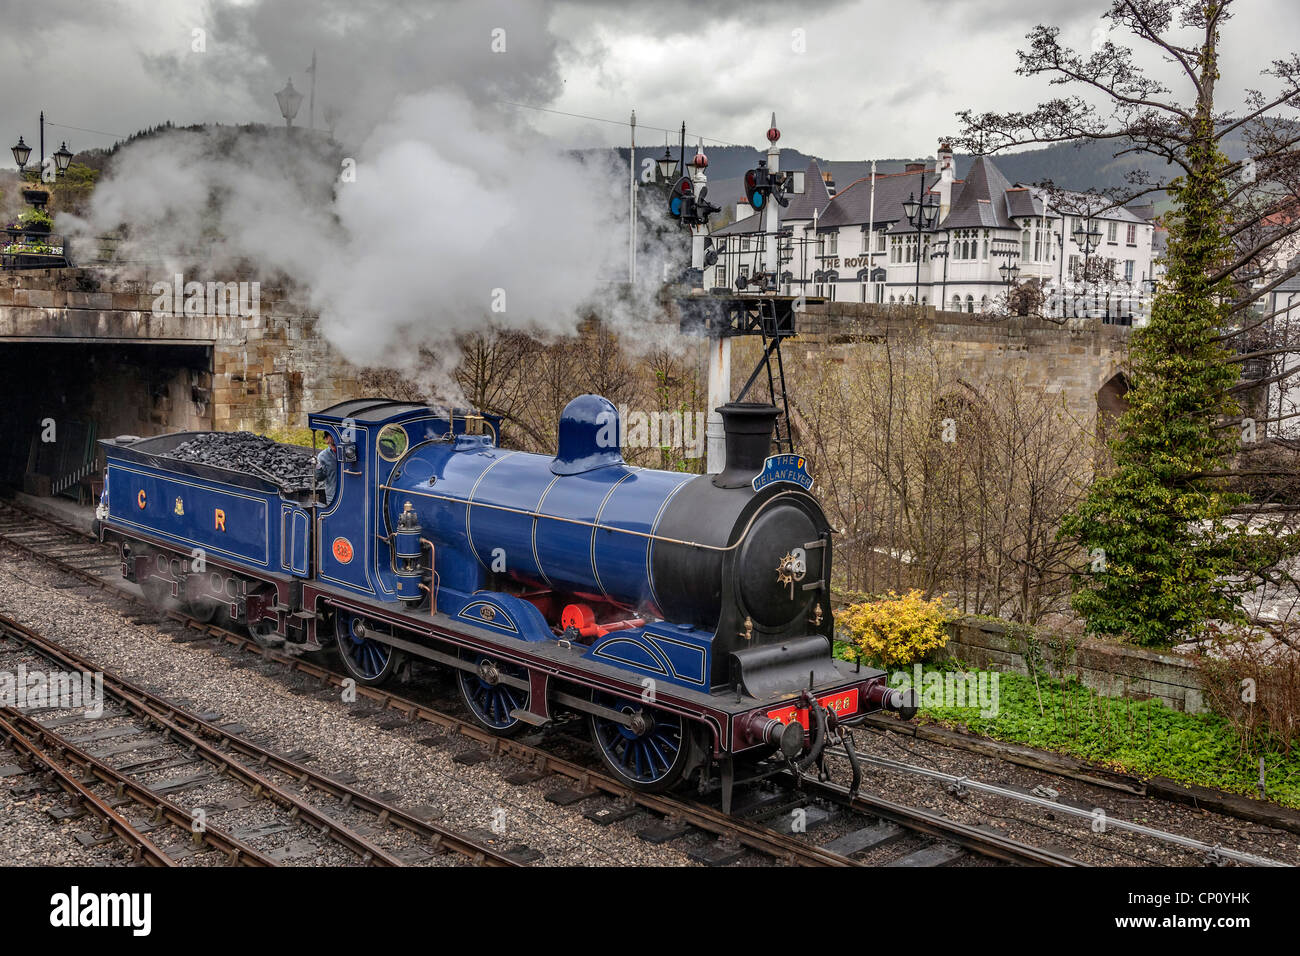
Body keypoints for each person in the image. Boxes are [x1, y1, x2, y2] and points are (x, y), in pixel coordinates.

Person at [315, 433, 339, 505]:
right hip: (333, 495)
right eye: (332, 436)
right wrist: (318, 467)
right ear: (326, 439)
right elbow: (319, 477)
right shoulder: (322, 456)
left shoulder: (348, 452)